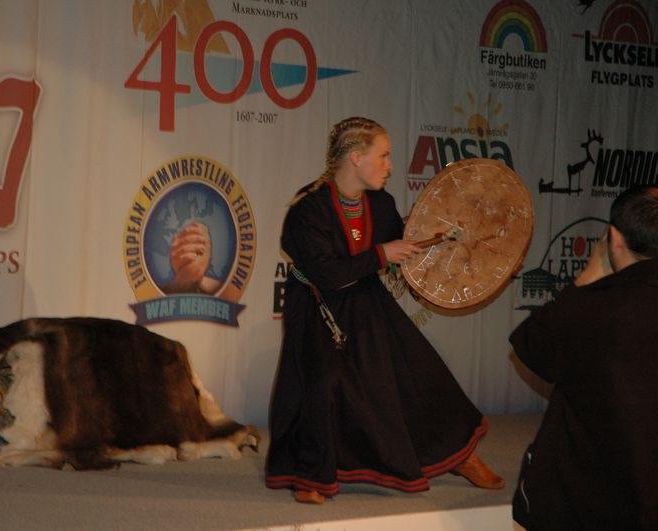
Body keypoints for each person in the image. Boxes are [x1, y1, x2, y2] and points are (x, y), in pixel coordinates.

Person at [265, 116, 504, 504]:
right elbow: (325, 273)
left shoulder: (381, 203)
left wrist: (468, 256)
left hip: (365, 299)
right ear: (356, 158)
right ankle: (310, 474)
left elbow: (400, 252)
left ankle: (458, 456)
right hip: (316, 305)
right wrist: (380, 254)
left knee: (418, 370)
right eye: (385, 156)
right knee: (322, 381)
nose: (391, 166)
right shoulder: (307, 209)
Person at [509, 185, 658, 529]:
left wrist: (588, 277)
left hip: (587, 491)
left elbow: (531, 347)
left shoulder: (593, 308)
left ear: (614, 238)